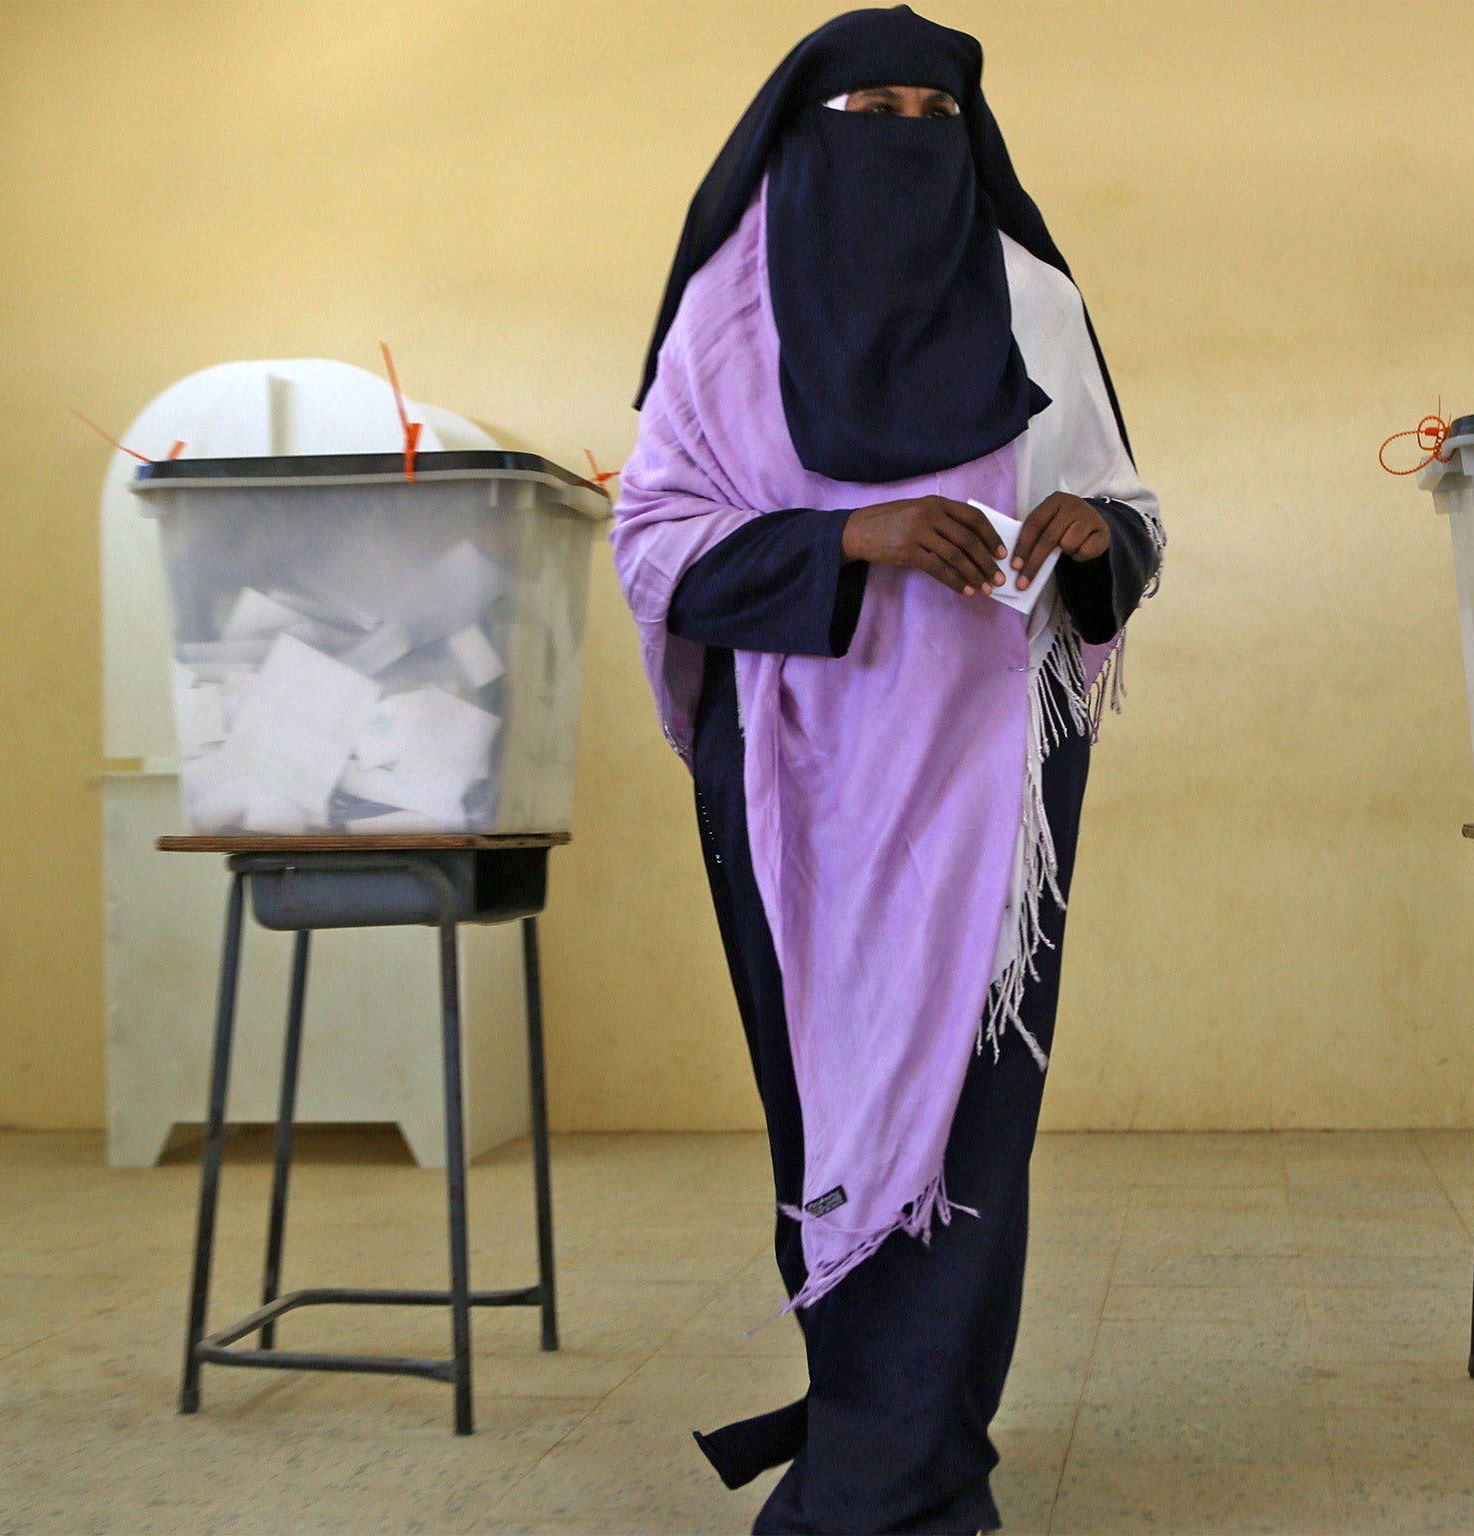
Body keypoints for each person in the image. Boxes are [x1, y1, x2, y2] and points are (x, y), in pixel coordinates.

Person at [611, 8, 1163, 1531]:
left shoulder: (1030, 297)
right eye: (870, 103)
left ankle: (896, 1468)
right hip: (792, 776)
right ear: (802, 129)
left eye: (934, 106)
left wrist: (1097, 535)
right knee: (832, 1105)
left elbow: (1129, 504)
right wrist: (843, 538)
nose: (903, 132)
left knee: (972, 1122)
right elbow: (652, 542)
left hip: (995, 777)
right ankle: (877, 1430)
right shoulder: (728, 315)